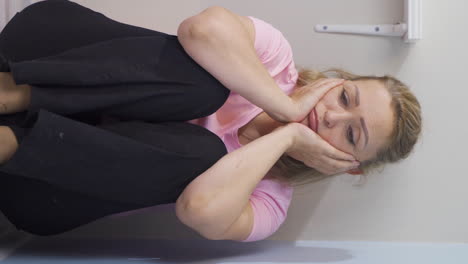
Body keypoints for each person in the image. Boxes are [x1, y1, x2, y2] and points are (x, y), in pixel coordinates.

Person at [0, 0, 421, 242]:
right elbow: (201, 29)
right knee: (206, 85)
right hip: (38, 56)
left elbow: (198, 210)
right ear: (339, 81)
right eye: (345, 96)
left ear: (351, 164)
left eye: (351, 132)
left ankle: (9, 140)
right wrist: (284, 106)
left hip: (33, 185)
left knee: (205, 155)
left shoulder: (270, 203)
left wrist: (288, 135)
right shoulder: (275, 60)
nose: (330, 114)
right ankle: (11, 94)